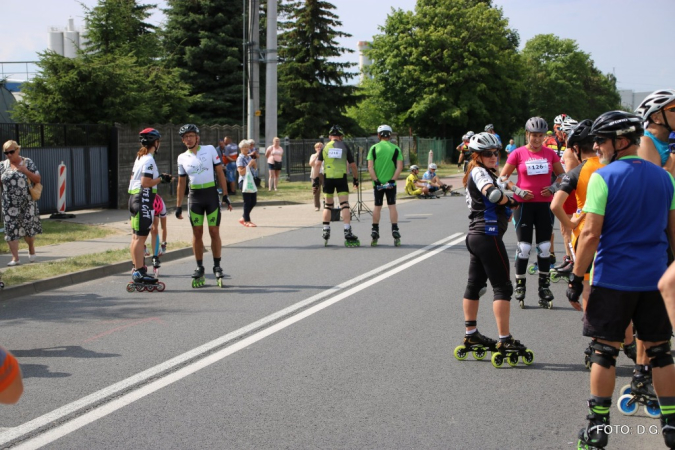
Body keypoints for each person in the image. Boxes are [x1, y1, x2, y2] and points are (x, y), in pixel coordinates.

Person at [566, 111, 675, 449]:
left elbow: (590, 235)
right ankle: (671, 425)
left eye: (601, 140)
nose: (596, 146)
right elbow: (673, 233)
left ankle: (597, 428)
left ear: (621, 141)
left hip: (614, 278)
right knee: (660, 352)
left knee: (604, 352)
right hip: (655, 278)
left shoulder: (603, 177)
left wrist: (575, 276)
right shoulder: (665, 179)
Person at [454, 132, 533, 368]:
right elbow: (494, 194)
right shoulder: (479, 172)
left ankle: (471, 333)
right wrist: (510, 202)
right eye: (488, 154)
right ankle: (505, 339)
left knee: (475, 286)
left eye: (496, 152)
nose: (494, 157)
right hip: (487, 235)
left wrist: (515, 194)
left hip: (476, 235)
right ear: (477, 155)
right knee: (503, 287)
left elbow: (502, 187)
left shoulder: (481, 171)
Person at [498, 117, 564, 309]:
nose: (537, 139)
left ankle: (544, 288)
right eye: (533, 135)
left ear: (545, 136)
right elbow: (502, 178)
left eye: (540, 136)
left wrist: (552, 188)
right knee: (524, 247)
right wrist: (517, 190)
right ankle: (520, 284)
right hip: (523, 206)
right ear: (527, 134)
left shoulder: (550, 154)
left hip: (544, 205)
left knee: (544, 248)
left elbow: (562, 176)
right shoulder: (518, 154)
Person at [175, 124, 232, 288]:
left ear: (197, 137)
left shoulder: (209, 150)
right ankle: (199, 266)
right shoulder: (182, 157)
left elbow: (220, 172)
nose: (188, 139)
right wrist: (178, 205)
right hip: (194, 197)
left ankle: (217, 265)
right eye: (185, 137)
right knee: (197, 232)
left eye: (191, 136)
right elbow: (181, 182)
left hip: (211, 194)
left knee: (214, 231)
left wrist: (226, 195)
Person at [127, 129, 170, 288]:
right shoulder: (149, 160)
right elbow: (146, 182)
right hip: (142, 198)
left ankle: (137, 268)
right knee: (140, 238)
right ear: (156, 143)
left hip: (134, 197)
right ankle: (139, 272)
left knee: (135, 237)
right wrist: (162, 179)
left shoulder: (140, 157)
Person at [0, 140, 42, 266]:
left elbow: (37, 179)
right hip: (9, 204)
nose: (9, 155)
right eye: (6, 153)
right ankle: (15, 258)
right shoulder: (2, 165)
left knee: (28, 230)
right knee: (10, 230)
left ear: (18, 150)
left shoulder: (27, 162)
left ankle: (31, 248)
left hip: (27, 203)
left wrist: (25, 171)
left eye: (11, 152)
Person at [319, 125, 360, 247]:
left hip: (328, 178)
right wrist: (355, 179)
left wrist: (316, 181)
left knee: (328, 205)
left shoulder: (325, 147)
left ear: (329, 136)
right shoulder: (345, 146)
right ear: (341, 136)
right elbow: (353, 165)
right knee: (344, 205)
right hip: (341, 178)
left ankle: (326, 229)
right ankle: (347, 230)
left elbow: (317, 164)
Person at [367, 124, 403, 246]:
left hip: (378, 184)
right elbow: (400, 167)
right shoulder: (396, 149)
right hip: (390, 183)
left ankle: (375, 229)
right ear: (390, 135)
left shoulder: (373, 148)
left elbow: (370, 167)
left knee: (377, 206)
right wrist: (393, 180)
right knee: (392, 205)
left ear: (378, 135)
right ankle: (395, 229)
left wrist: (376, 180)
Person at [237, 140, 258, 227]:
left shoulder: (249, 157)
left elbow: (255, 169)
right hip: (244, 181)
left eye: (247, 147)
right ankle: (247, 220)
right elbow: (241, 172)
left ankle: (243, 217)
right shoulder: (240, 158)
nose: (246, 149)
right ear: (241, 148)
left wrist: (254, 163)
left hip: (251, 181)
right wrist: (249, 165)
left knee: (253, 201)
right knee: (247, 201)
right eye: (244, 147)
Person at [309, 142, 324, 211]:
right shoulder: (313, 155)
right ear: (315, 149)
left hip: (323, 174)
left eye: (321, 147)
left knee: (327, 190)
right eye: (318, 147)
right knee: (316, 190)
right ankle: (317, 206)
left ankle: (328, 204)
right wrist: (317, 156)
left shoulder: (325, 155)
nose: (319, 148)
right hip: (315, 174)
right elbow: (311, 164)